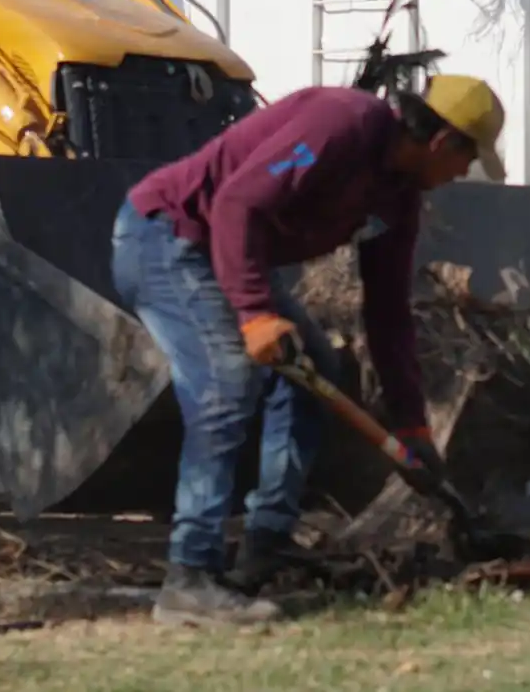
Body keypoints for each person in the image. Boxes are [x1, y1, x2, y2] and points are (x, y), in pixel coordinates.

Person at [110, 76, 506, 626]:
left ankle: (264, 546)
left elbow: (387, 314)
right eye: (467, 160)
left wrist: (412, 424)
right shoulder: (343, 123)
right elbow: (235, 203)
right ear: (443, 142)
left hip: (218, 254)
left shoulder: (398, 201)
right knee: (227, 385)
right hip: (166, 237)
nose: (462, 175)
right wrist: (253, 313)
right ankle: (189, 578)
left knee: (313, 369)